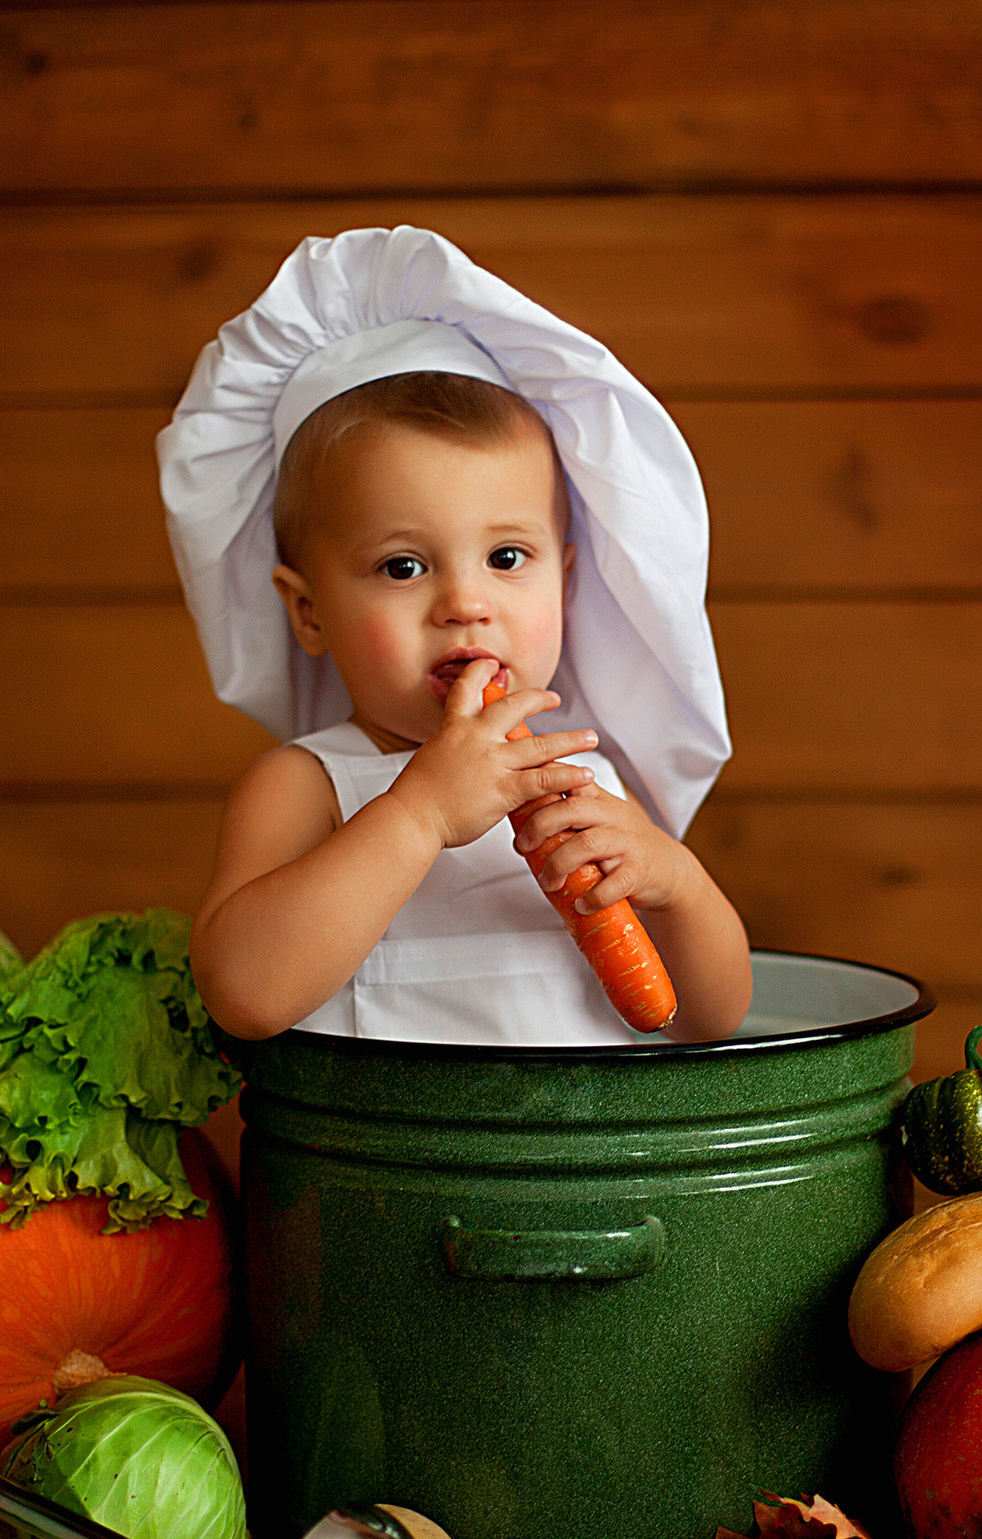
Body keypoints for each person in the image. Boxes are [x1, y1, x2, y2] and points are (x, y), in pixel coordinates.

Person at [161, 228, 752, 1047]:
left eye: (507, 557)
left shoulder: (587, 782)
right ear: (309, 613)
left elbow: (714, 1017)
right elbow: (245, 994)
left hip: (594, 1174)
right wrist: (420, 813)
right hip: (391, 1174)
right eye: (403, 567)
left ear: (567, 580)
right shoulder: (310, 786)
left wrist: (675, 881)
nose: (464, 603)